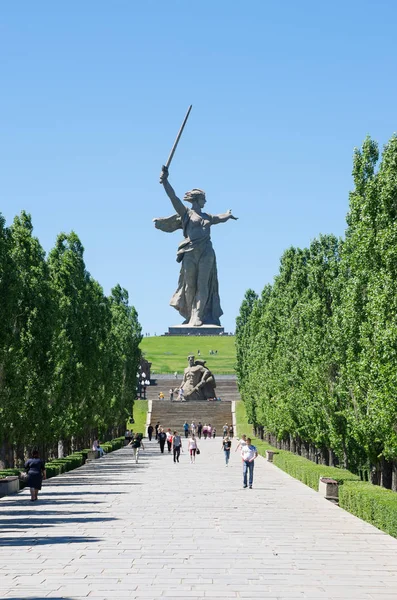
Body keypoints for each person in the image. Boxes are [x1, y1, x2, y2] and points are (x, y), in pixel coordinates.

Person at [155, 165, 238, 326]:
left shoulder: (208, 216)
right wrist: (165, 181)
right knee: (189, 285)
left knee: (203, 284)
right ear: (196, 199)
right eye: (203, 198)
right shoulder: (186, 213)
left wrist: (228, 215)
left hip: (206, 252)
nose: (205, 201)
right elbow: (174, 198)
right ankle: (190, 314)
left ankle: (198, 316)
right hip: (190, 251)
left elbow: (220, 217)